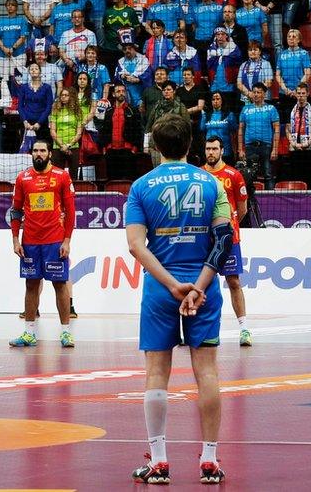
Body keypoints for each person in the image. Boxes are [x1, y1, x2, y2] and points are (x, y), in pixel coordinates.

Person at [126, 113, 230, 485]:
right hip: (204, 288)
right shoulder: (212, 184)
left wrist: (172, 285)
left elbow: (136, 245)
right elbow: (224, 240)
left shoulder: (141, 186)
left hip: (160, 288)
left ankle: (159, 461)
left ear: (155, 146)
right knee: (207, 372)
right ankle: (210, 460)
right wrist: (199, 285)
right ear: (191, 144)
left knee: (156, 373)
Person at [9, 138, 77, 348]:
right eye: (35, 151)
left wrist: (67, 240)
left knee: (59, 285)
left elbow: (71, 211)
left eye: (42, 150)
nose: (39, 154)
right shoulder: (23, 178)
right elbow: (16, 210)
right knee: (31, 285)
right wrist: (15, 239)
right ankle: (29, 333)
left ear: (49, 153)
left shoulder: (62, 176)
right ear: (32, 153)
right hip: (30, 242)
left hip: (54, 241)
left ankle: (66, 333)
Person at [202, 136, 252, 345]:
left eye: (214, 149)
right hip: (204, 238)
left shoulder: (234, 175)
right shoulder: (199, 174)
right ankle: (202, 330)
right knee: (201, 283)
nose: (211, 153)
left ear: (222, 150)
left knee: (233, 282)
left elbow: (242, 209)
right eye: (207, 149)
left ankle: (244, 330)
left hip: (229, 237)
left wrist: (227, 227)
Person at [281, 83, 311, 187]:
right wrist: (294, 143)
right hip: (294, 150)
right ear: (296, 94)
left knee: (309, 179)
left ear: (307, 94)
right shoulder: (290, 109)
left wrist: (308, 142)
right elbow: (287, 129)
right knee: (295, 178)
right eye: (298, 93)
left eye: (303, 93)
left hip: (309, 150)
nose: (301, 96)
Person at [97, 84, 143, 180]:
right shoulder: (109, 111)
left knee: (128, 180)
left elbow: (138, 130)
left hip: (127, 151)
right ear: (113, 94)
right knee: (112, 180)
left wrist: (134, 149)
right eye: (118, 91)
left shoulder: (132, 110)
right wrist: (105, 148)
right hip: (111, 152)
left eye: (123, 91)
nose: (121, 93)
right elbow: (104, 130)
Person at [237, 82, 279, 189]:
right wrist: (240, 149)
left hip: (266, 146)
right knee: (249, 175)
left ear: (264, 94)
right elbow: (240, 129)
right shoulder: (245, 109)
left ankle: (270, 199)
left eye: (258, 92)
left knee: (268, 174)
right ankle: (251, 200)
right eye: (254, 92)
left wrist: (275, 149)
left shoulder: (271, 108)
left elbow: (277, 129)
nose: (255, 94)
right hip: (250, 147)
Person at [276, 29, 311, 117]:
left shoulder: (304, 53)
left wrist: (297, 89)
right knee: (285, 119)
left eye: (294, 37)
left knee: (300, 119)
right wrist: (285, 89)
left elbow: (308, 72)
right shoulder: (281, 54)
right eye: (289, 37)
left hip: (300, 93)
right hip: (284, 92)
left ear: (299, 40)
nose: (291, 39)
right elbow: (277, 74)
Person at [50, 87, 86, 178]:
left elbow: (79, 133)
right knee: (57, 176)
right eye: (62, 95)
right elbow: (53, 131)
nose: (63, 97)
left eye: (66, 95)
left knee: (73, 176)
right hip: (58, 147)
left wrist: (68, 145)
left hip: (73, 147)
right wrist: (62, 146)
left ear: (71, 97)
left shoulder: (78, 112)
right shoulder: (55, 111)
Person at [206, 27, 243, 114]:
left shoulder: (234, 49)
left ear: (227, 36)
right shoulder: (211, 50)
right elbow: (209, 65)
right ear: (215, 37)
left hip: (228, 89)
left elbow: (238, 63)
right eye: (218, 34)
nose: (220, 37)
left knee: (229, 113)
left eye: (222, 34)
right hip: (214, 88)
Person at [17, 62, 55, 147]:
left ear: (40, 72)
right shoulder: (24, 87)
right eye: (31, 69)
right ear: (29, 72)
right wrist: (25, 121)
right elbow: (20, 106)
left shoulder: (47, 87)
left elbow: (49, 106)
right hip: (27, 124)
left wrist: (39, 123)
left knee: (42, 148)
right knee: (26, 150)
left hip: (42, 124)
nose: (34, 70)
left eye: (36, 69)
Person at [102, 0, 139, 67]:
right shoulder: (108, 12)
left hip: (125, 50)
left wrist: (128, 43)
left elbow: (137, 30)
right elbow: (105, 29)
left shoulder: (130, 11)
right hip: (110, 49)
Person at [0, 0, 31, 79]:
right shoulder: (1, 21)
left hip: (19, 54)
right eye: (8, 5)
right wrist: (4, 49)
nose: (10, 6)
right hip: (3, 55)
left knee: (18, 79)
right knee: (4, 81)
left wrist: (12, 49)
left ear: (17, 7)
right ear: (5, 7)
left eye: (12, 5)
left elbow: (23, 38)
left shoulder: (22, 20)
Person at [115, 34, 151, 110]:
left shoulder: (143, 59)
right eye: (125, 49)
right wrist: (122, 76)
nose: (127, 51)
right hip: (126, 96)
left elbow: (148, 74)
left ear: (135, 48)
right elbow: (116, 77)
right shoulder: (120, 61)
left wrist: (139, 79)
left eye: (129, 48)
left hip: (140, 92)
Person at [237, 41, 274, 106]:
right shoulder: (243, 65)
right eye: (250, 50)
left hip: (263, 99)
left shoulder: (266, 64)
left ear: (260, 52)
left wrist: (257, 94)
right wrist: (250, 94)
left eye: (255, 50)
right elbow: (239, 84)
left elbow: (269, 82)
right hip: (246, 98)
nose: (253, 52)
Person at [202, 92, 236, 159]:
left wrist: (235, 150)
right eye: (213, 99)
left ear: (222, 100)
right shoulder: (205, 116)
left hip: (226, 151)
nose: (215, 101)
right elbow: (202, 132)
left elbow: (234, 133)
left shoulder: (229, 115)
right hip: (210, 152)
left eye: (218, 99)